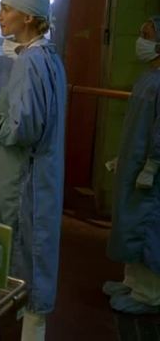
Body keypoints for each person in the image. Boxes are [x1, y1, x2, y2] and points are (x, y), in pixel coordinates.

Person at [0, 0, 66, 341]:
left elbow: (22, 130)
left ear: (27, 17)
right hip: (38, 178)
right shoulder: (48, 57)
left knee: (23, 259)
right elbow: (38, 113)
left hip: (21, 182)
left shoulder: (30, 62)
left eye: (6, 9)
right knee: (32, 255)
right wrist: (1, 109)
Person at [104, 16, 160, 315]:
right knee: (129, 226)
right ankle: (132, 282)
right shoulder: (148, 78)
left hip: (151, 174)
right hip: (135, 164)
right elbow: (136, 127)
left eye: (147, 35)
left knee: (147, 229)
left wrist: (152, 165)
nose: (141, 41)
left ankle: (149, 294)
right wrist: (123, 157)